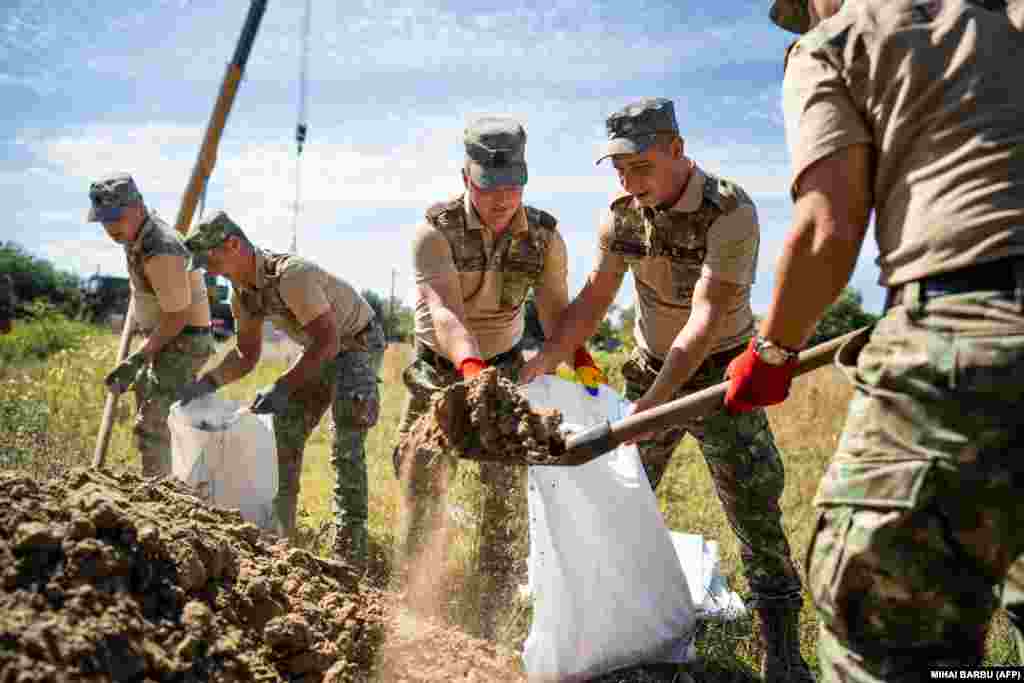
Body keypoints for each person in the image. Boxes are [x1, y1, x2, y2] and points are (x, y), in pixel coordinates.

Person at [725, 1, 1024, 679]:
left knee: (881, 639)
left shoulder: (836, 42)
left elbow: (826, 232)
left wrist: (772, 351)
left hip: (963, 343)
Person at [521, 97, 814, 681]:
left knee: (754, 510)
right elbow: (594, 299)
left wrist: (652, 407)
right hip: (647, 366)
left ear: (677, 150)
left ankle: (781, 647)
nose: (630, 183)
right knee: (618, 498)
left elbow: (706, 317)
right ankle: (617, 633)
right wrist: (547, 359)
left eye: (641, 167)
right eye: (620, 170)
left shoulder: (729, 210)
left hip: (724, 377)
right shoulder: (622, 217)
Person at [395, 115, 598, 639]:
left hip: (505, 365)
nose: (503, 198)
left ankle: (495, 605)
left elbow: (555, 311)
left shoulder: (544, 237)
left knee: (504, 488)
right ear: (467, 178)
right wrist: (470, 371)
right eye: (490, 187)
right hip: (440, 368)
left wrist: (575, 357)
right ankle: (413, 596)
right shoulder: (435, 231)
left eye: (513, 185)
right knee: (421, 475)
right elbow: (444, 312)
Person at [180, 211, 385, 570]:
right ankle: (279, 537)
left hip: (357, 344)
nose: (210, 271)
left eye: (211, 260)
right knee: (284, 432)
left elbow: (328, 340)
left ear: (233, 245)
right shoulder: (243, 296)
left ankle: (351, 554)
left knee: (346, 443)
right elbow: (246, 355)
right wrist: (205, 384)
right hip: (321, 350)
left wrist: (281, 386)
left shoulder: (291, 275)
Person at [89, 173, 215, 477]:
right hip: (166, 338)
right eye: (104, 220)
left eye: (116, 218)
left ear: (137, 207)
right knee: (155, 416)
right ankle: (165, 482)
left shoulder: (160, 247)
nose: (110, 228)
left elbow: (178, 315)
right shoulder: (134, 237)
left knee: (154, 423)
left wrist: (137, 358)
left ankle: (162, 492)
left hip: (182, 341)